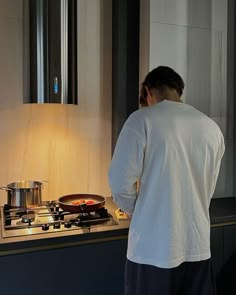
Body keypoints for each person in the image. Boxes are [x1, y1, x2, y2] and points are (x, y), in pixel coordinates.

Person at [108, 66, 225, 295]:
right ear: (178, 90)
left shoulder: (142, 120)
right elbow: (207, 190)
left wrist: (136, 210)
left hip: (153, 250)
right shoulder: (212, 129)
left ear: (148, 92)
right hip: (198, 248)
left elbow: (119, 182)